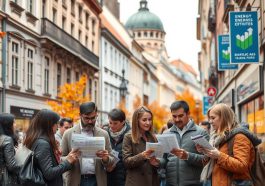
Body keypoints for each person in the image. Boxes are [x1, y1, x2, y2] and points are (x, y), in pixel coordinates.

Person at [198, 103, 261, 186]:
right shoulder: (215, 137)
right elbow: (212, 165)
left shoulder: (240, 137)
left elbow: (242, 166)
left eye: (213, 118)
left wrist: (219, 156)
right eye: (209, 118)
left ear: (224, 118)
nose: (210, 121)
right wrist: (205, 151)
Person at [61, 102, 114, 186]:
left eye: (93, 118)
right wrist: (69, 158)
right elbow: (60, 160)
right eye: (86, 118)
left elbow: (112, 160)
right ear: (80, 115)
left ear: (96, 115)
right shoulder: (68, 134)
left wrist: (105, 158)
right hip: (76, 180)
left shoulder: (104, 134)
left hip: (97, 180)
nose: (90, 121)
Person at [23, 109, 80, 186]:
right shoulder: (42, 144)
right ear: (49, 124)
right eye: (56, 123)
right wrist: (68, 162)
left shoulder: (36, 138)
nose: (58, 126)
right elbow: (49, 173)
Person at [160, 100, 209, 186]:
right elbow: (164, 159)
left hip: (193, 184)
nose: (177, 119)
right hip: (170, 183)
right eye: (174, 116)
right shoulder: (166, 134)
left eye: (180, 116)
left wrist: (188, 156)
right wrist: (158, 162)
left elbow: (207, 160)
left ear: (188, 113)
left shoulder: (201, 133)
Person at [122, 106, 160, 186]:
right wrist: (142, 156)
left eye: (150, 120)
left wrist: (157, 163)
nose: (148, 123)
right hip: (136, 182)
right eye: (144, 120)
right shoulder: (129, 136)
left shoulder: (153, 136)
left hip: (152, 180)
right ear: (137, 121)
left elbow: (159, 159)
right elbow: (126, 162)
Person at [106, 108, 131, 186]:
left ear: (123, 122)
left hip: (125, 179)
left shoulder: (131, 135)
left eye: (115, 123)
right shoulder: (105, 134)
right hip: (107, 178)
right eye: (110, 123)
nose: (112, 126)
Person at [0, 113, 20, 184]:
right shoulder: (7, 139)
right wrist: (23, 166)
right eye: (13, 122)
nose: (15, 124)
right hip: (5, 178)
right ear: (7, 124)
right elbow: (11, 166)